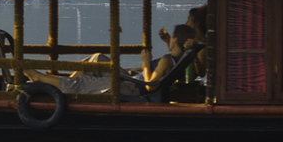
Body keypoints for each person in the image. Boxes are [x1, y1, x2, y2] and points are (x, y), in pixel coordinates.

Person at [24, 24, 198, 96]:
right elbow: (177, 52)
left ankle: (40, 78)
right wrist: (170, 40)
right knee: (97, 58)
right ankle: (62, 84)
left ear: (176, 41)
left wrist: (146, 62)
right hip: (130, 77)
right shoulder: (178, 57)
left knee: (84, 82)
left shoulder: (167, 62)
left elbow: (150, 85)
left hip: (128, 86)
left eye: (172, 38)